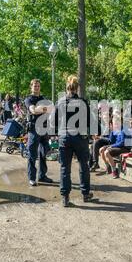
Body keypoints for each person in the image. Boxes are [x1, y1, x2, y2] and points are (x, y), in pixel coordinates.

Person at [54, 75, 93, 207]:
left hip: (64, 136)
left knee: (65, 167)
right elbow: (89, 121)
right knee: (84, 166)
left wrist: (57, 133)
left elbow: (53, 121)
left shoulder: (60, 102)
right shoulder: (83, 102)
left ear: (67, 88)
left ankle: (65, 197)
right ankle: (85, 194)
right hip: (80, 137)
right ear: (77, 88)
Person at [24, 79, 53, 187]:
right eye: (35, 86)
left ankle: (42, 175)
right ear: (31, 87)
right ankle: (32, 178)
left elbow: (51, 109)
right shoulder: (28, 99)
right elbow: (33, 111)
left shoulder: (43, 98)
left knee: (44, 153)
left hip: (44, 128)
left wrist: (41, 108)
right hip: (33, 129)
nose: (37, 88)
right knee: (32, 154)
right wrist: (41, 109)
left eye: (38, 86)